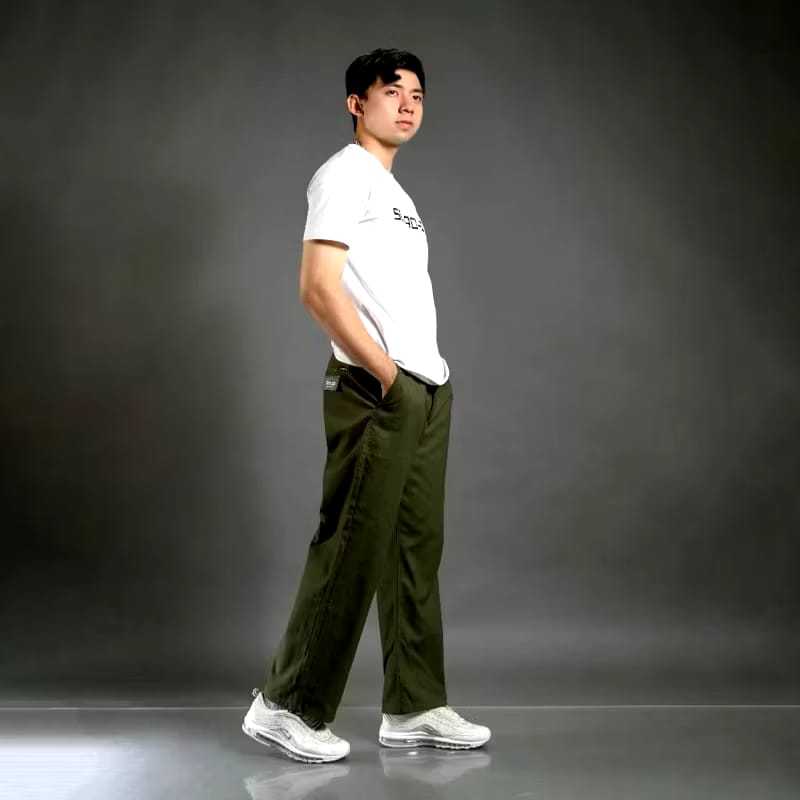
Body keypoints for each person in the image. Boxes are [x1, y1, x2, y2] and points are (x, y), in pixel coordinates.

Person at [242, 47, 491, 763]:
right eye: (392, 92)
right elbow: (318, 287)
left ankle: (414, 705)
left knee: (414, 550)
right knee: (351, 543)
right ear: (357, 103)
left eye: (418, 94)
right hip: (376, 389)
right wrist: (384, 373)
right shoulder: (344, 175)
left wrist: (426, 381)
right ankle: (285, 705)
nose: (408, 104)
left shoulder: (395, 195)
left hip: (423, 388)